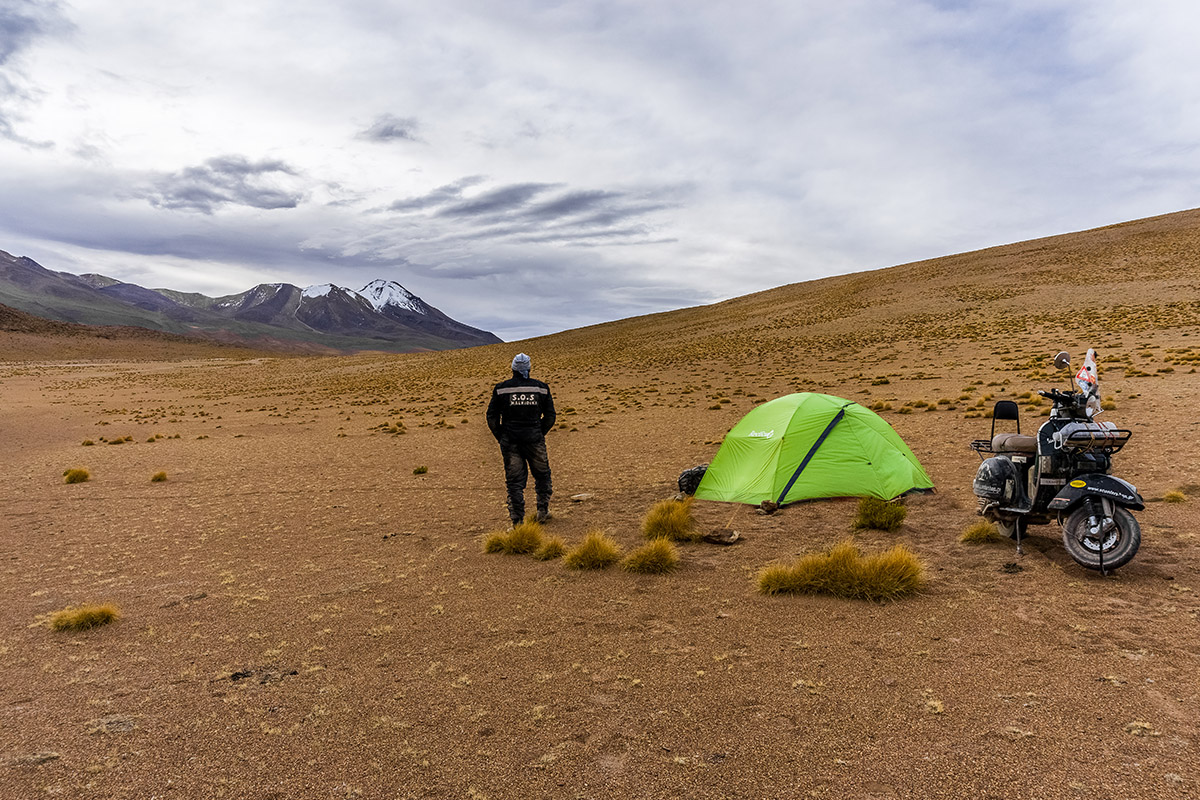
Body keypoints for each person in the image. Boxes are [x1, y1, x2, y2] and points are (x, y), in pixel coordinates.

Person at [486, 353, 556, 526]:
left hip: (510, 441)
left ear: (513, 368)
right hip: (534, 439)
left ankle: (517, 521)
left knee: (515, 482)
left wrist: (501, 436)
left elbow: (491, 416)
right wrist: (539, 432)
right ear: (529, 368)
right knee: (542, 475)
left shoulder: (501, 388)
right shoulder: (541, 388)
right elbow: (550, 416)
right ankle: (542, 510)